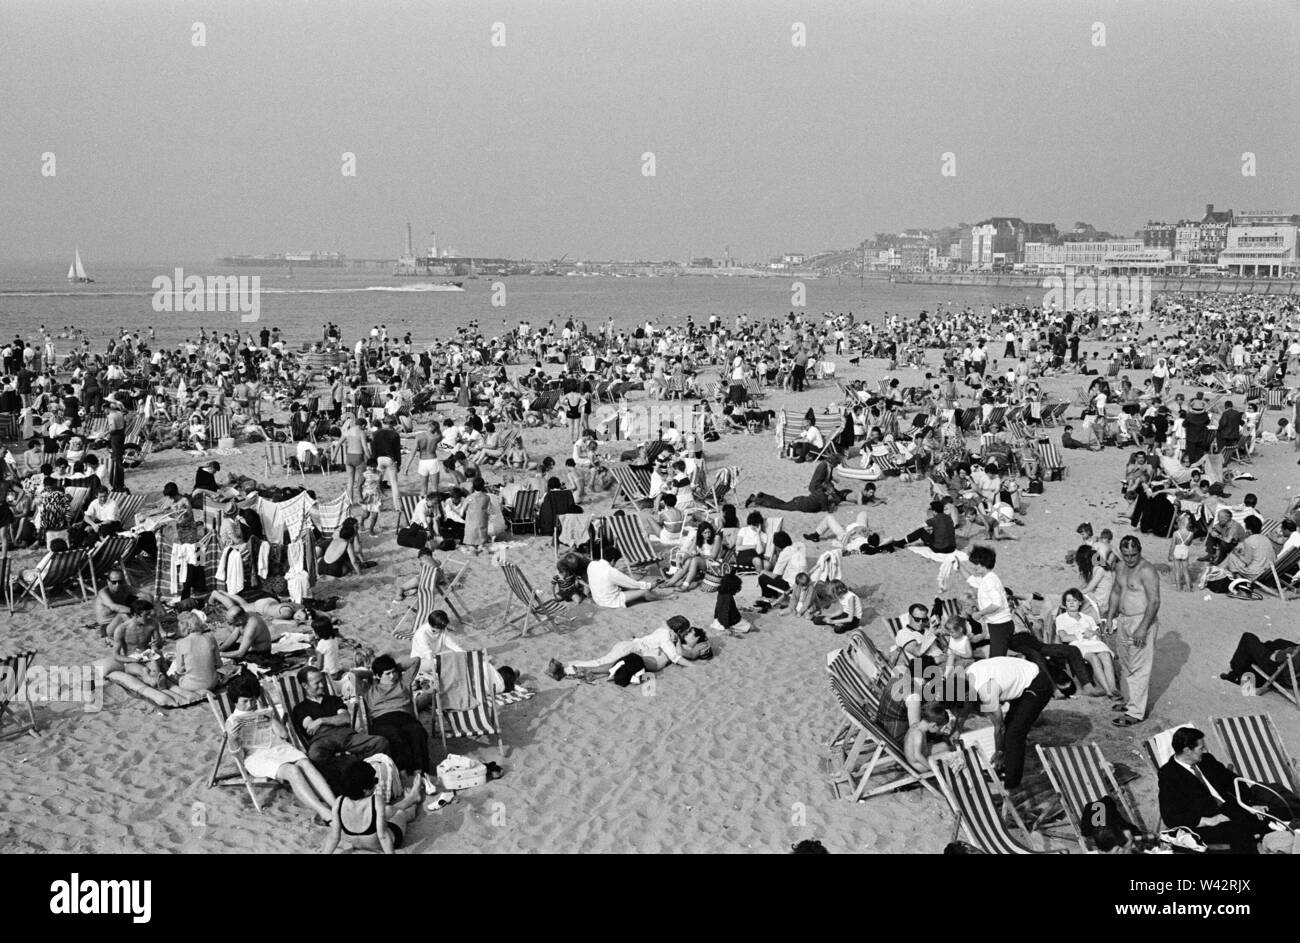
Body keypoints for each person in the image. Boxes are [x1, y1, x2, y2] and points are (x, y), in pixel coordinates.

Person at [223, 674, 336, 821]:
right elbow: (239, 758)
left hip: (279, 748)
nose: (250, 705)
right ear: (234, 702)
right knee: (292, 770)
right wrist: (232, 738)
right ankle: (323, 811)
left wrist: (267, 715)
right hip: (256, 757)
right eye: (244, 701)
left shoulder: (261, 711)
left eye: (252, 700)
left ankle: (335, 805)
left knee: (305, 763)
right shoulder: (232, 722)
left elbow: (283, 734)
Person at [1158, 727, 1267, 854]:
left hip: (1230, 810)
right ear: (1187, 750)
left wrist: (1251, 804)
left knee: (1272, 816)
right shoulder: (1169, 775)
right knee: (1240, 832)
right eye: (1200, 748)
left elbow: (1234, 781)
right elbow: (1170, 815)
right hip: (1206, 822)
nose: (1204, 751)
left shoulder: (1207, 760)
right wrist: (1206, 821)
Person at [957, 656, 1052, 790]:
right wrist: (957, 729)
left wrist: (999, 752)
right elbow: (965, 706)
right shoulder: (966, 675)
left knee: (1014, 734)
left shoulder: (986, 692)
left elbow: (999, 727)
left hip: (1037, 683)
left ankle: (1012, 786)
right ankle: (1005, 768)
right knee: (1010, 728)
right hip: (1023, 676)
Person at [1104, 535, 1161, 727]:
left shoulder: (1147, 570)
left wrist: (1142, 628)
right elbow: (1116, 592)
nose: (1130, 559)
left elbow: (1154, 602)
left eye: (1133, 555)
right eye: (1126, 555)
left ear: (1140, 551)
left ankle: (1136, 712)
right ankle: (1128, 701)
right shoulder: (1120, 567)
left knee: (1139, 667)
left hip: (1141, 620)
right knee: (1125, 662)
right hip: (1123, 619)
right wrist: (1110, 616)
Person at [546, 615, 695, 681]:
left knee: (603, 664)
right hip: (632, 649)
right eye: (686, 632)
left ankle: (565, 668)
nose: (686, 634)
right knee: (600, 663)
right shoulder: (667, 637)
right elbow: (676, 657)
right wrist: (693, 667)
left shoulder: (663, 631)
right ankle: (565, 668)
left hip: (630, 647)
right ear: (679, 631)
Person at [290, 667, 389, 765]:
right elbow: (311, 727)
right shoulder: (300, 708)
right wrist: (335, 720)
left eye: (322, 681)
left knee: (380, 742)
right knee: (315, 756)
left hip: (347, 736)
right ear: (305, 685)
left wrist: (321, 721)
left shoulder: (334, 700)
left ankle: (348, 761)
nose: (322, 685)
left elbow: (345, 719)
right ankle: (356, 760)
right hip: (322, 741)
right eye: (317, 683)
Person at [322, 761, 423, 854]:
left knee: (387, 810)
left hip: (357, 844)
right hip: (379, 844)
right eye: (375, 780)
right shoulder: (376, 801)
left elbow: (334, 838)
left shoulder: (339, 802)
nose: (376, 783)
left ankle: (412, 798)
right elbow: (383, 836)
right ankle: (413, 802)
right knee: (400, 813)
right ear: (365, 789)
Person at [363, 654, 430, 776]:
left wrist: (394, 667)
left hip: (404, 716)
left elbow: (416, 660)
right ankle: (402, 772)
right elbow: (354, 675)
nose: (392, 676)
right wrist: (371, 673)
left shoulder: (403, 682)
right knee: (395, 736)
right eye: (387, 674)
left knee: (418, 731)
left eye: (394, 672)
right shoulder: (370, 687)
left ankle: (419, 771)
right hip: (382, 719)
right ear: (378, 676)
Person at [1053, 588, 1118, 696]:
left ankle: (1113, 688)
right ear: (1065, 604)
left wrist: (1092, 633)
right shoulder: (1061, 618)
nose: (1071, 603)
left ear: (1080, 602)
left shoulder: (1088, 618)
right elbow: (1064, 638)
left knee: (1106, 655)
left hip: (1094, 642)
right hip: (1078, 644)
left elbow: (1098, 634)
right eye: (1068, 601)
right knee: (1093, 657)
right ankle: (1107, 691)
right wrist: (1081, 634)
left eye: (1074, 600)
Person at [960, 544, 1014, 656]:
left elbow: (996, 604)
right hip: (998, 624)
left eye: (976, 564)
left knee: (996, 658)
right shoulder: (988, 578)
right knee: (997, 656)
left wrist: (980, 613)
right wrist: (959, 566)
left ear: (983, 564)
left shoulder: (989, 580)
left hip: (1000, 625)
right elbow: (971, 580)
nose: (974, 567)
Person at [168, 611, 222, 694]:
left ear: (187, 627)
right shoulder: (211, 638)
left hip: (191, 686)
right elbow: (219, 664)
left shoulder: (180, 643)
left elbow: (180, 670)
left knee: (171, 675)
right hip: (212, 683)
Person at [1220, 632, 1299, 688]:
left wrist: (1278, 653)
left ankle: (1235, 675)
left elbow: (1275, 657)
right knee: (1278, 643)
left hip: (1279, 668)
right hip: (1293, 669)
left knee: (1248, 638)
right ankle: (1254, 673)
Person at [586, 546, 658, 607]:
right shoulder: (610, 571)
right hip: (609, 602)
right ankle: (664, 597)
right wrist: (650, 585)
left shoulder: (592, 564)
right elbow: (632, 584)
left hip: (597, 599)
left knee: (623, 585)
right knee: (644, 591)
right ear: (613, 560)